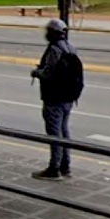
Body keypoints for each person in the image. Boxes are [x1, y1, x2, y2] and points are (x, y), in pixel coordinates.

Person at [30, 18, 84, 180]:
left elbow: (48, 73)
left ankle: (54, 168)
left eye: (48, 31)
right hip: (69, 97)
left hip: (54, 97)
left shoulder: (54, 49)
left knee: (54, 134)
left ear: (53, 33)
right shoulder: (71, 48)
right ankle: (65, 166)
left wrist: (35, 72)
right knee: (64, 131)